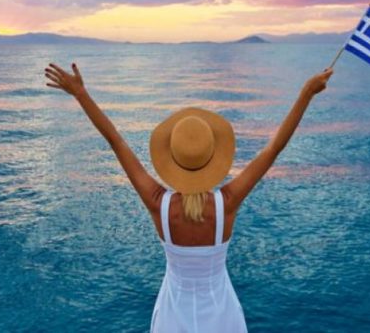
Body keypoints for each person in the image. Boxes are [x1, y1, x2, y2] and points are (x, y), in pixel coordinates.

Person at [44, 62, 333, 332]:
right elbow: (273, 149)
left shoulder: (158, 203)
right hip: (222, 314)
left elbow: (116, 141)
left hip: (173, 314)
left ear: (172, 159)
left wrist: (81, 94)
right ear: (213, 157)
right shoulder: (226, 204)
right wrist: (306, 94)